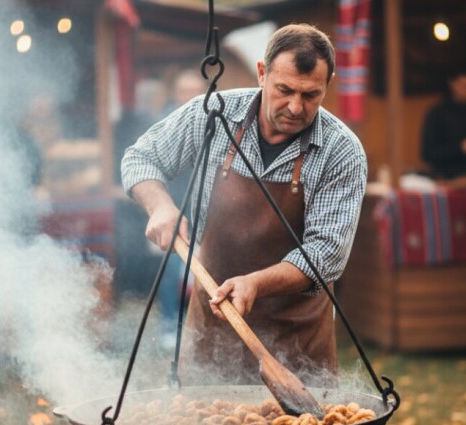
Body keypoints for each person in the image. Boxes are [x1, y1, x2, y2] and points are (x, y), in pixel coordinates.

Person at [121, 24, 367, 384]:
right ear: (262, 73)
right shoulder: (213, 116)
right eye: (284, 90)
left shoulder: (341, 151)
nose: (296, 107)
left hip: (296, 341)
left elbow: (326, 252)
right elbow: (142, 157)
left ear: (327, 85)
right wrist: (159, 205)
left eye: (311, 95)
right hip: (213, 326)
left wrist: (256, 283)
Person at [155, 70, 207, 350]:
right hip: (172, 208)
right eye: (185, 91)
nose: (190, 97)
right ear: (176, 93)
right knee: (171, 267)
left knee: (199, 270)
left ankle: (195, 327)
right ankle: (168, 324)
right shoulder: (165, 124)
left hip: (203, 209)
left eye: (195, 92)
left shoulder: (211, 123)